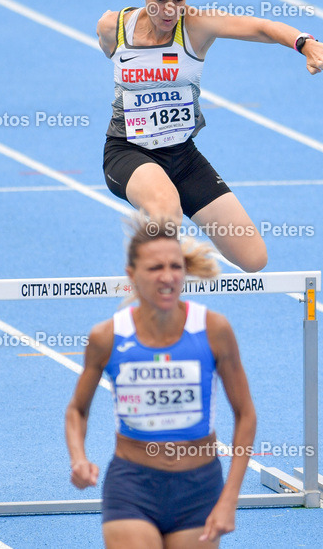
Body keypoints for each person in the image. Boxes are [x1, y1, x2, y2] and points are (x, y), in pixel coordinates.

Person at [99, 0, 323, 273]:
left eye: (178, 1)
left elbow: (262, 28)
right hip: (128, 152)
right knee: (166, 205)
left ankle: (167, 257)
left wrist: (304, 43)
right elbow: (113, 58)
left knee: (253, 258)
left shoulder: (195, 26)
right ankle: (153, 278)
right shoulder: (113, 27)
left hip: (182, 154)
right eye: (161, 0)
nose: (169, 11)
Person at [66, 215, 257, 547]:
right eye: (155, 268)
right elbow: (77, 411)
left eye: (176, 266)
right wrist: (78, 458)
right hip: (133, 486)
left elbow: (246, 415)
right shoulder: (107, 337)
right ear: (132, 276)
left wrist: (229, 499)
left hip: (199, 488)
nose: (168, 277)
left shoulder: (214, 330)